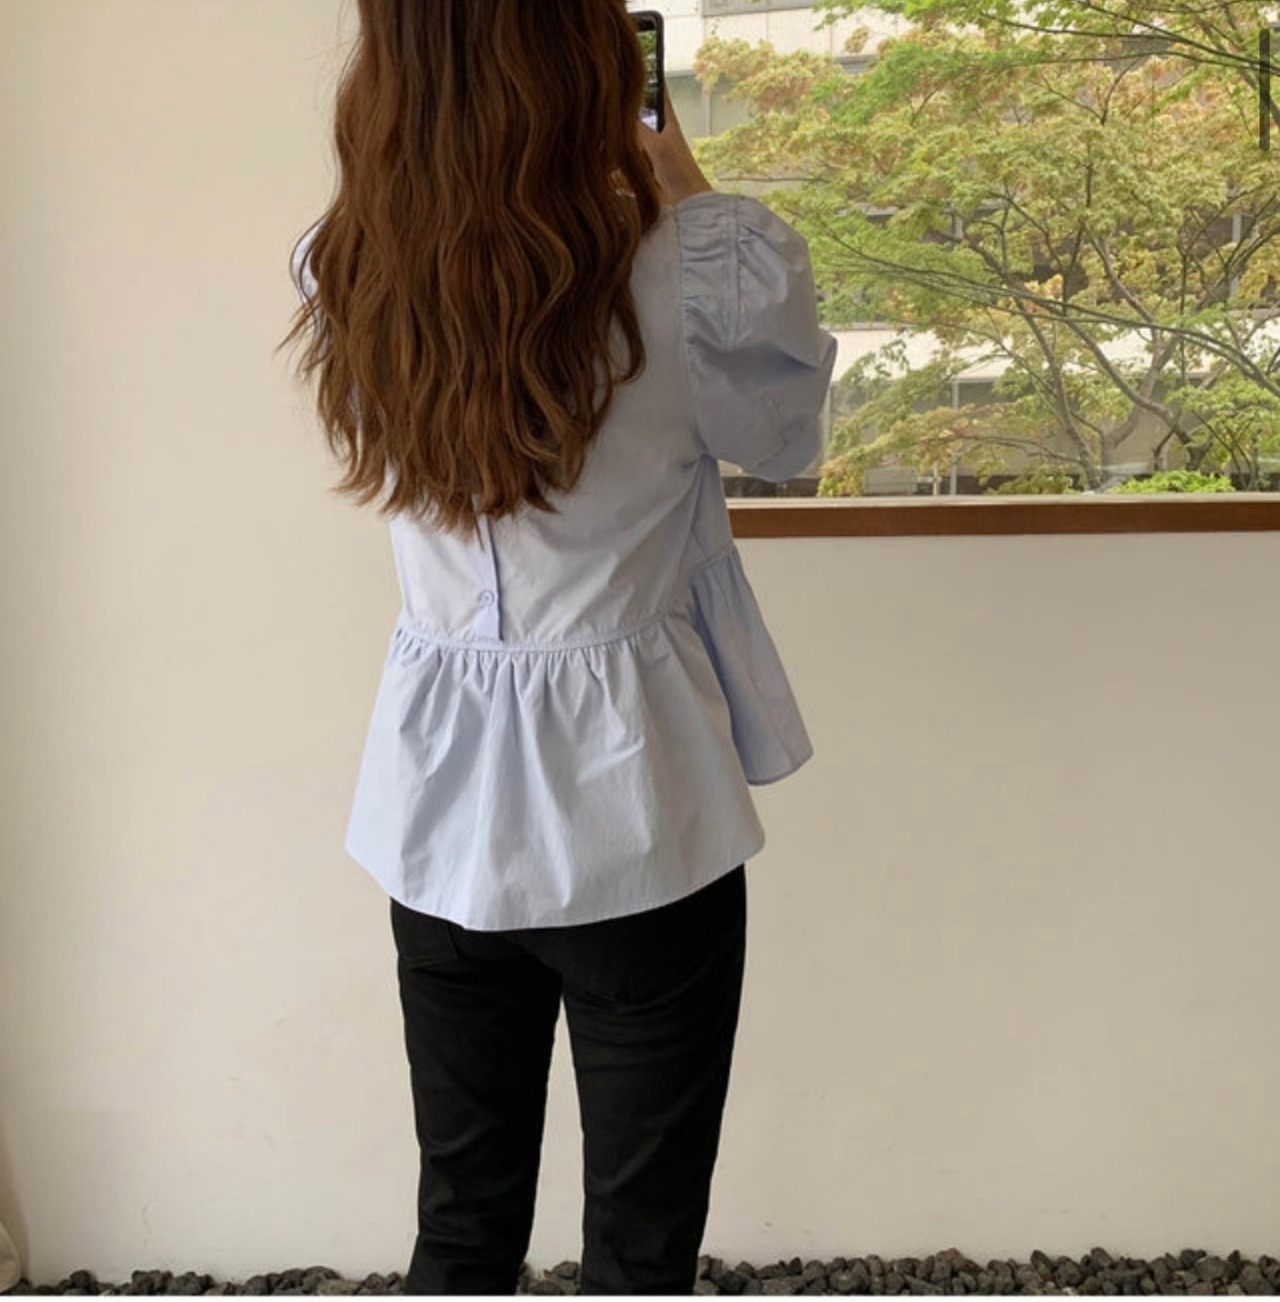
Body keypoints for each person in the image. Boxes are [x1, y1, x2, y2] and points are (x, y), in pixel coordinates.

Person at [279, 0, 837, 1294]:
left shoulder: (343, 268)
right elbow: (784, 440)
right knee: (641, 1247)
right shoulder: (694, 271)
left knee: (461, 1226)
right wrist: (671, 163)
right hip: (643, 807)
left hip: (441, 817)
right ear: (584, 49)